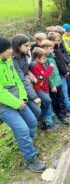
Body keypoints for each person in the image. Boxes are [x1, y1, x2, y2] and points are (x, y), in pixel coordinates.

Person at [0, 36, 45, 172]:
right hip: (4, 106)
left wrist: (23, 98)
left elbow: (19, 81)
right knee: (23, 129)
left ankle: (26, 145)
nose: (10, 50)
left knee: (32, 122)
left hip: (19, 100)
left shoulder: (8, 61)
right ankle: (30, 159)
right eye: (8, 49)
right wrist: (16, 103)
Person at [11, 34, 41, 120]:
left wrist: (31, 75)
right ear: (17, 46)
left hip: (27, 87)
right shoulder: (14, 60)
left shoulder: (23, 55)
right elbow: (21, 79)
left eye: (29, 46)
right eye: (26, 46)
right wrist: (34, 97)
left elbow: (25, 70)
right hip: (20, 90)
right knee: (36, 111)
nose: (28, 48)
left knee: (37, 110)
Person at [31, 47, 60, 132]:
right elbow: (43, 77)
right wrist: (50, 68)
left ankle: (50, 121)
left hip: (46, 88)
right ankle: (49, 125)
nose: (45, 59)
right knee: (47, 106)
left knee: (48, 106)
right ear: (36, 58)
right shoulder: (35, 67)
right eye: (43, 58)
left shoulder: (40, 64)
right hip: (41, 89)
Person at [41, 39, 69, 124]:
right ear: (45, 49)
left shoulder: (52, 57)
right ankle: (60, 115)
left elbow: (56, 70)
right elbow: (48, 75)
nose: (53, 50)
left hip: (58, 81)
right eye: (51, 48)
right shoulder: (45, 60)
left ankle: (63, 113)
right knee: (56, 101)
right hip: (53, 85)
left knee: (61, 98)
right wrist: (52, 85)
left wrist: (59, 80)